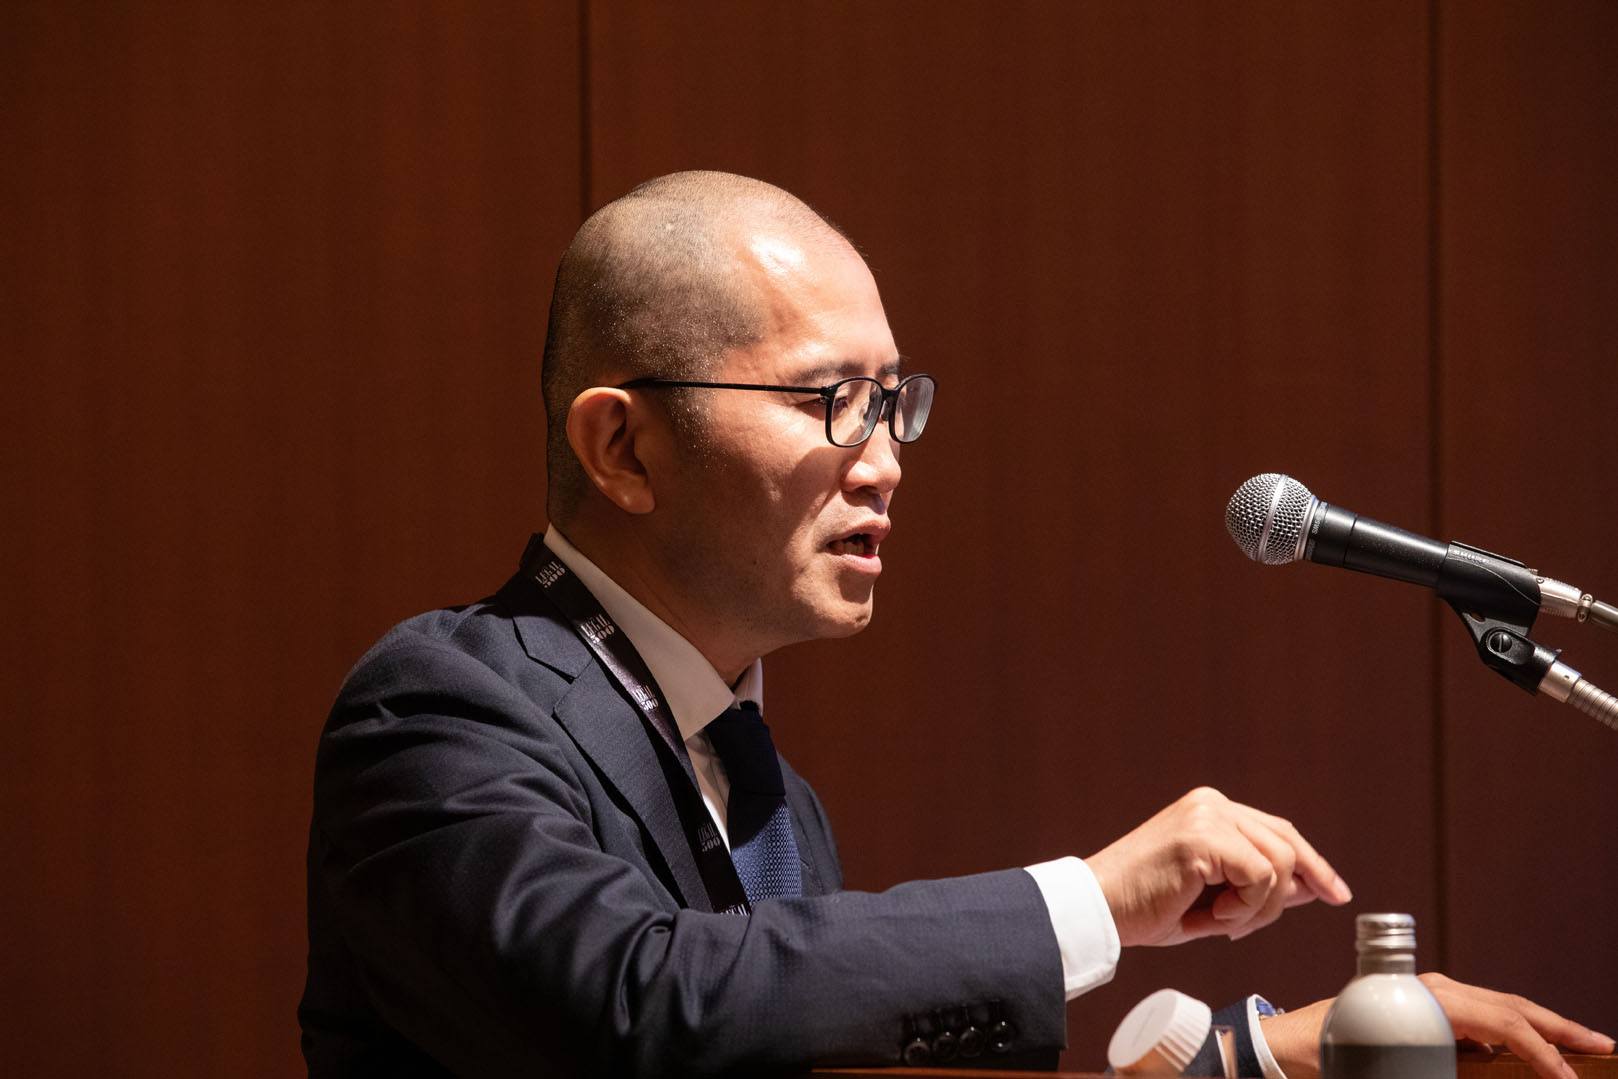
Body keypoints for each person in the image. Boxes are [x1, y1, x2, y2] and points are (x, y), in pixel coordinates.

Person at [299, 171, 1612, 1077]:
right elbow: (633, 1010)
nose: (884, 462)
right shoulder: (444, 710)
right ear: (623, 447)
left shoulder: (771, 797)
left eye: (893, 403)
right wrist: (1092, 899)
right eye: (828, 400)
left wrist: (1259, 1054)